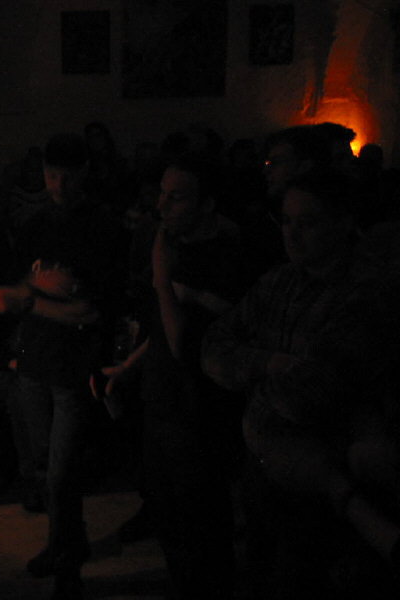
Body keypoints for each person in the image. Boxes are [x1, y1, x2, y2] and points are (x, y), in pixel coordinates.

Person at [202, 166, 400, 598]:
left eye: (307, 223)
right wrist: (269, 362)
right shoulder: (278, 282)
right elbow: (213, 346)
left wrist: (255, 388)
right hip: (268, 477)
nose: (291, 234)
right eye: (287, 221)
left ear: (343, 222)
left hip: (326, 488)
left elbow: (310, 396)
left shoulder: (368, 292)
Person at [0, 133, 125, 600]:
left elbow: (91, 310)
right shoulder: (37, 224)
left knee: (64, 472)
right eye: (50, 175)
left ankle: (68, 564)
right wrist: (31, 292)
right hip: (36, 360)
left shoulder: (102, 227)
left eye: (66, 176)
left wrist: (26, 298)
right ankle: (64, 544)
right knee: (46, 467)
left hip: (73, 364)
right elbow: (25, 284)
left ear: (84, 174)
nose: (57, 185)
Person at [98, 155, 243, 598]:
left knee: (200, 528)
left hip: (195, 411)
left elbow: (184, 346)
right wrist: (129, 367)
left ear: (208, 203)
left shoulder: (223, 257)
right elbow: (161, 332)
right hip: (160, 400)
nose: (161, 205)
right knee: (167, 519)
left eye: (176, 197)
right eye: (162, 193)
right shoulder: (169, 244)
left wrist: (163, 279)